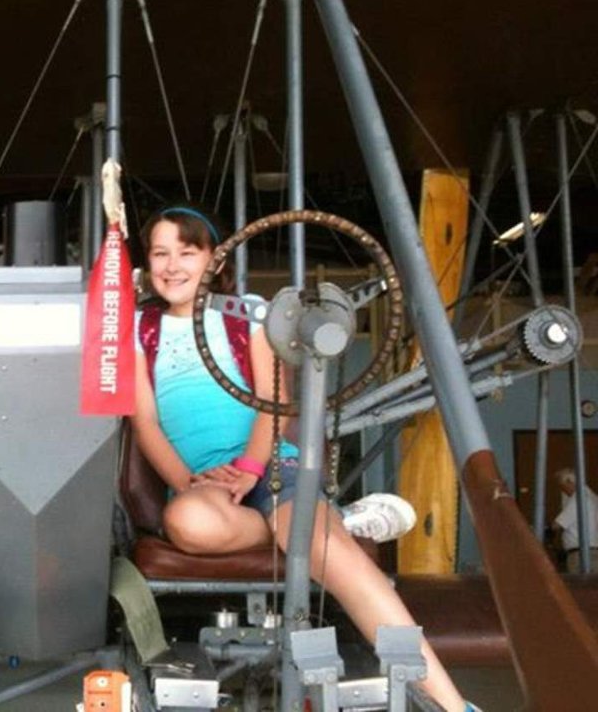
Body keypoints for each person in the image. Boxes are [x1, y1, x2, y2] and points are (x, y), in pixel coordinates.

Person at [131, 205, 478, 712]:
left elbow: (274, 400)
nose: (172, 265)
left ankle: (452, 704)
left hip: (269, 466)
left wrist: (249, 470)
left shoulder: (247, 313)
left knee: (332, 555)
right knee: (185, 522)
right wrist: (190, 482)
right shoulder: (139, 329)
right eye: (160, 254)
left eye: (187, 252)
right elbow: (144, 422)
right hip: (206, 483)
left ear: (214, 260)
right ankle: (333, 520)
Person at [552, 468, 598, 574]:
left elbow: (557, 524)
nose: (563, 491)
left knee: (581, 583)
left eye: (562, 486)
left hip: (581, 555)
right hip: (594, 551)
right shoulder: (593, 497)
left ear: (569, 482)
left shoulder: (578, 498)